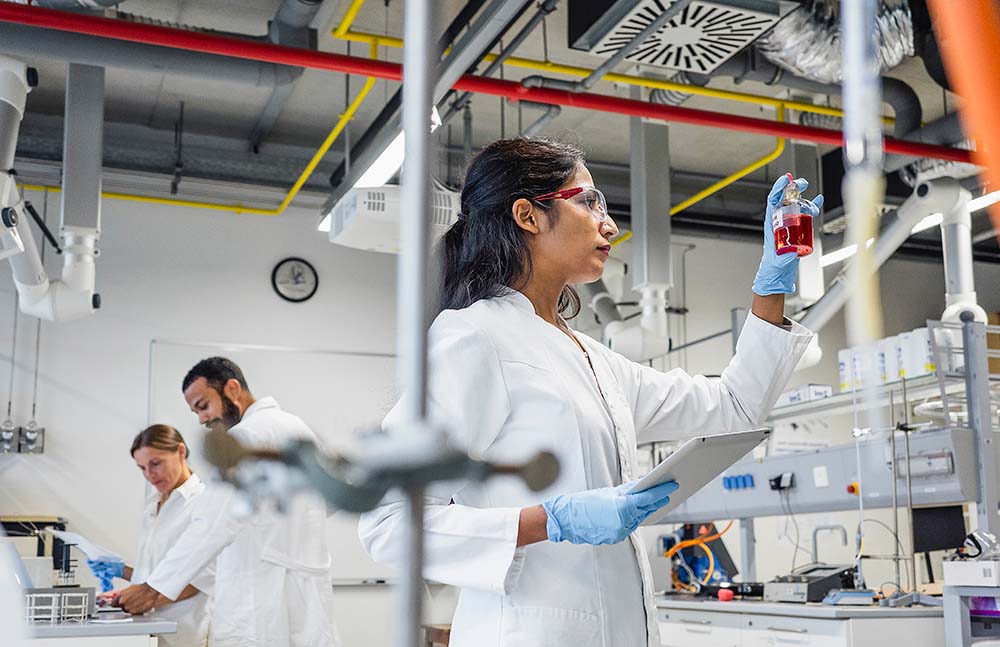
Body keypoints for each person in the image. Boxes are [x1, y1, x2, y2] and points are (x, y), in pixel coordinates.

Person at [358, 137, 820, 647]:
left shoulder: (593, 359)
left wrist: (771, 282)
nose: (609, 224)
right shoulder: (474, 338)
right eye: (588, 201)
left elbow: (734, 406)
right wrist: (550, 522)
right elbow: (387, 520)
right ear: (528, 216)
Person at [115, 357, 339, 647]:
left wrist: (154, 588)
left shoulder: (246, 435)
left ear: (232, 389)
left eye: (203, 405)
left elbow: (212, 523)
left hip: (259, 598)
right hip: (306, 592)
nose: (202, 419)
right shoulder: (296, 427)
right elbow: (330, 501)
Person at [88, 425, 213, 647]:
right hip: (149, 629)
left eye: (155, 463)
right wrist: (124, 574)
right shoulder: (153, 504)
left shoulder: (202, 503)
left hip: (183, 633)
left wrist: (142, 599)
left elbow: (201, 578)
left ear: (181, 452)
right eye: (142, 468)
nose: (149, 474)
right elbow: (157, 572)